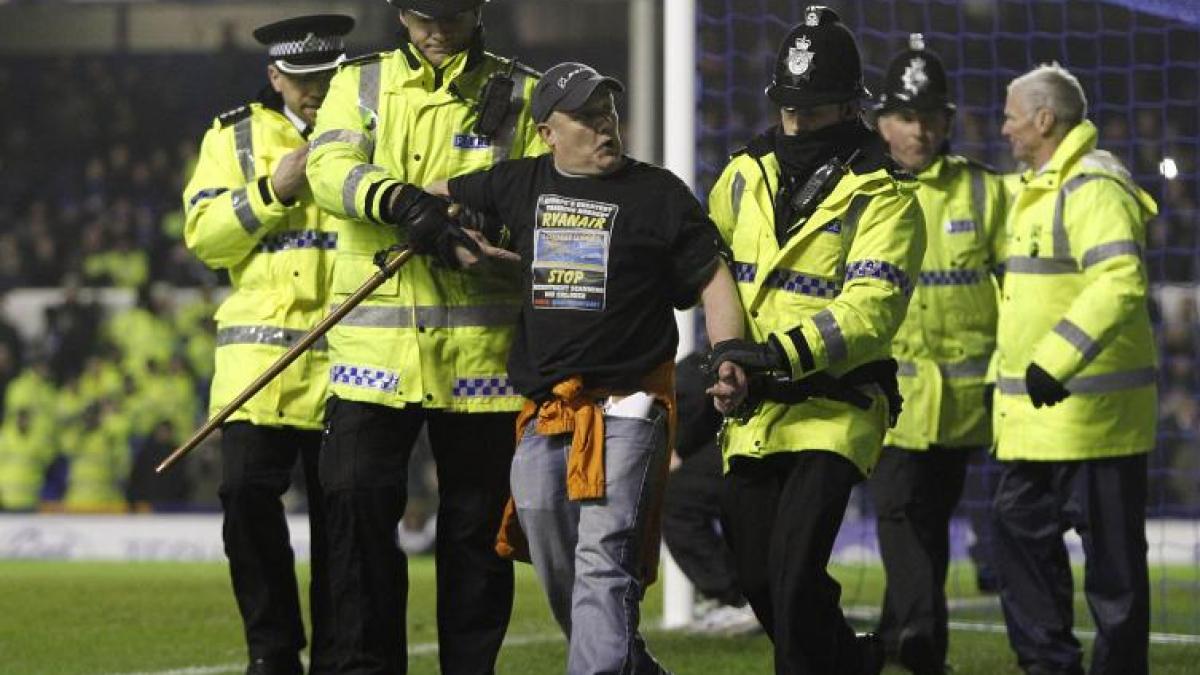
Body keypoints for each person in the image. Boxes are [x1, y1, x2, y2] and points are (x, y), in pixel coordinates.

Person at [422, 60, 744, 675]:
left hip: (629, 406)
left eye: (609, 113)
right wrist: (429, 223)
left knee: (604, 560)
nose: (605, 127)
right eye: (588, 116)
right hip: (546, 410)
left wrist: (727, 355)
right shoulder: (518, 183)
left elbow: (713, 276)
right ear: (547, 132)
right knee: (558, 561)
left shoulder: (658, 194)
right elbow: (438, 194)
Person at [304, 1, 546, 672]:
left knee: (477, 538)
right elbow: (328, 171)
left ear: (479, 9)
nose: (436, 30)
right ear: (398, 12)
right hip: (372, 356)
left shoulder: (523, 91)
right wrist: (403, 203)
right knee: (354, 515)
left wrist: (482, 228)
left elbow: (544, 200)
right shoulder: (360, 82)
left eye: (452, 14)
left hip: (483, 363)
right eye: (421, 15)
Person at [703, 7, 926, 674]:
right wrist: (725, 357)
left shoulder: (886, 195)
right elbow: (705, 268)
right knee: (760, 578)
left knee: (794, 571)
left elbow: (870, 311)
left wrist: (772, 355)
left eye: (815, 109)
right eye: (790, 109)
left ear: (852, 106)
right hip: (753, 407)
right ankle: (855, 661)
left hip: (835, 406)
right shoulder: (742, 173)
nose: (797, 123)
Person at [182, 14, 354, 675]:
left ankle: (340, 657)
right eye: (303, 78)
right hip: (259, 367)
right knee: (244, 496)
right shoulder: (233, 138)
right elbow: (203, 237)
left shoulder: (367, 131)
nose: (315, 90)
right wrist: (271, 191)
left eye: (327, 76)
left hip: (350, 364)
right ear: (274, 76)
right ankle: (273, 651)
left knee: (346, 518)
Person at [992, 63, 1157, 675]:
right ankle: (1049, 667)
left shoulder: (1093, 189)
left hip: (1095, 422)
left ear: (1043, 118)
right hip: (1039, 422)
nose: (1004, 128)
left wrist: (1053, 360)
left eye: (1011, 116)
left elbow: (1120, 282)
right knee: (1018, 544)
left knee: (1113, 576)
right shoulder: (1036, 188)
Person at [867, 34, 1008, 675]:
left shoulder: (986, 192)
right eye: (905, 116)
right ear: (880, 121)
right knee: (897, 512)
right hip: (888, 396)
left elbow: (1018, 286)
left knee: (925, 521)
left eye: (929, 117)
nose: (918, 130)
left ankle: (897, 637)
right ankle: (923, 640)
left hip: (965, 403)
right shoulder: (860, 192)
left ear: (948, 120)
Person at [661, 353, 758, 635]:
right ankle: (745, 596)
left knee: (678, 501)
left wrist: (678, 445)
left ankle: (740, 598)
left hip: (763, 427)